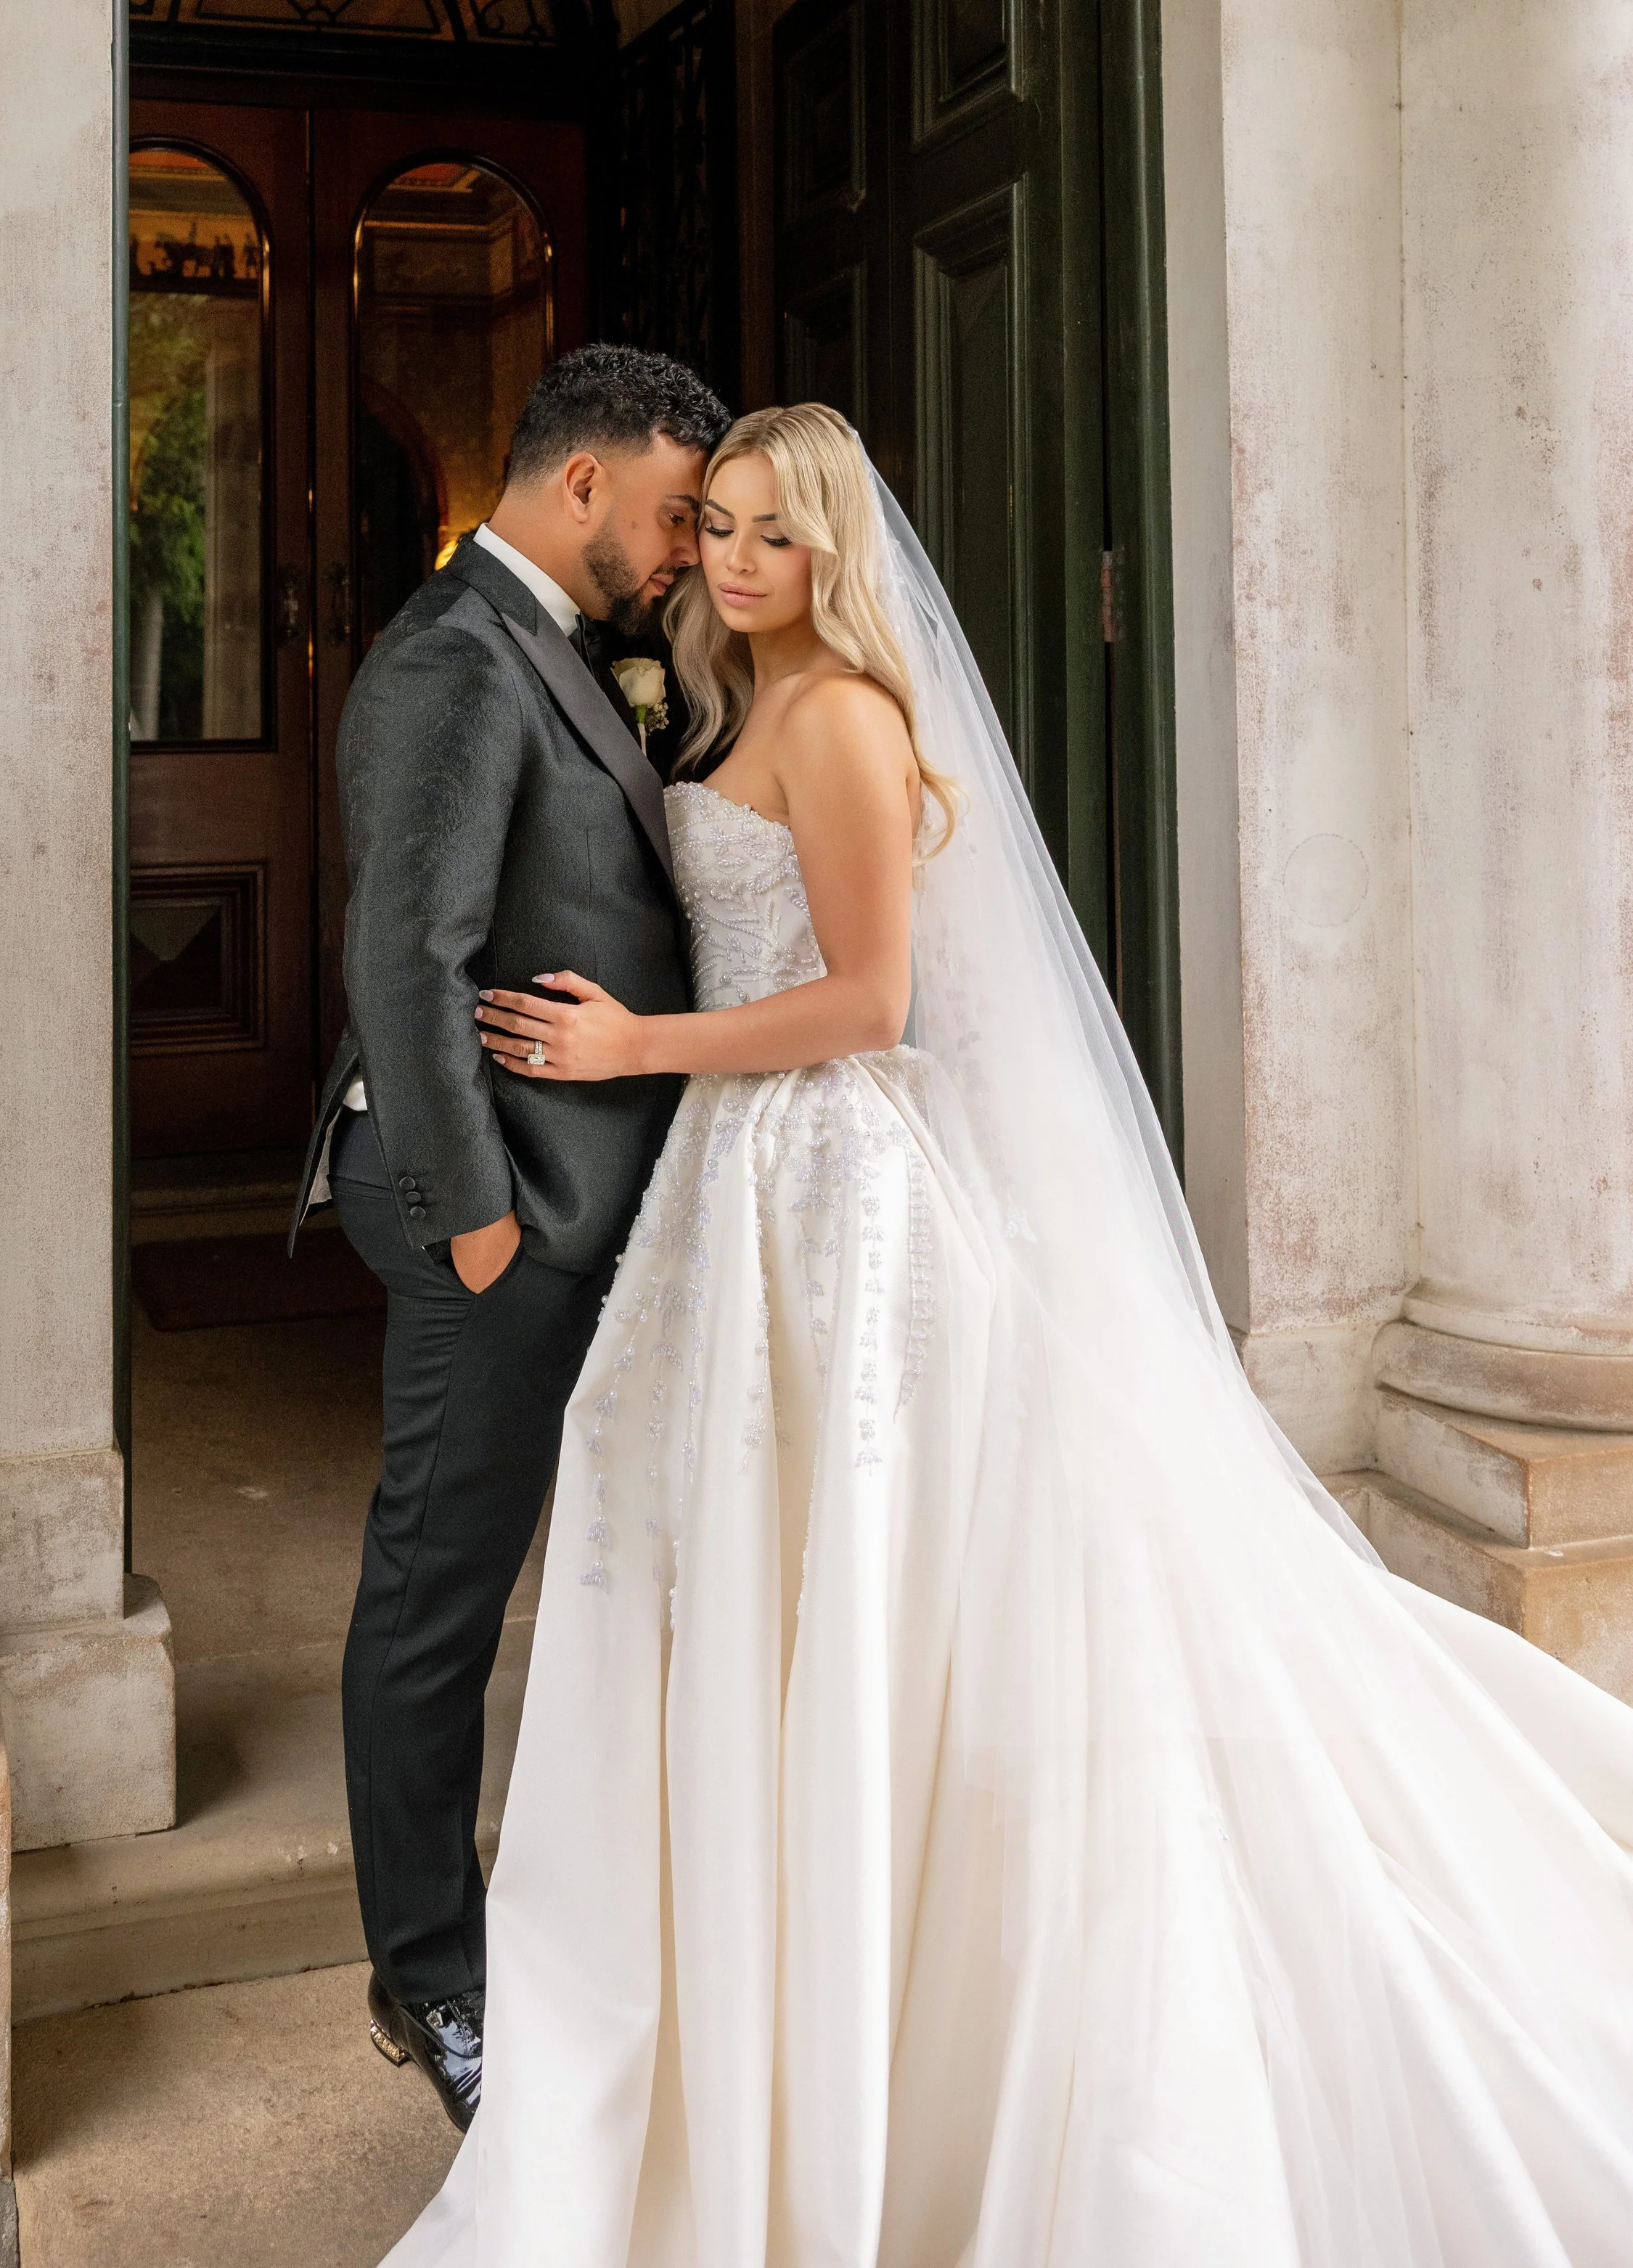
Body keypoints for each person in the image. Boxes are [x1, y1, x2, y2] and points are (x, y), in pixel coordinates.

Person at [382, 399, 1633, 2266]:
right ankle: (752, 2003)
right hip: (726, 1194)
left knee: (871, 1595)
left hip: (830, 1185)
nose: (729, 561)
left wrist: (636, 1047)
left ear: (835, 559)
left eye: (771, 538)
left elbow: (872, 1000)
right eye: (714, 524)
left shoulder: (847, 721)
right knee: (734, 1588)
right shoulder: (719, 705)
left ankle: (883, 2040)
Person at [288, 345, 730, 2129]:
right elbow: (405, 955)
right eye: (673, 509)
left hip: (598, 1196)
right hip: (502, 1205)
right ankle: (430, 1978)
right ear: (576, 487)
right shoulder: (448, 659)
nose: (688, 546)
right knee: (433, 1594)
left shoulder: (559, 648)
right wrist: (480, 1224)